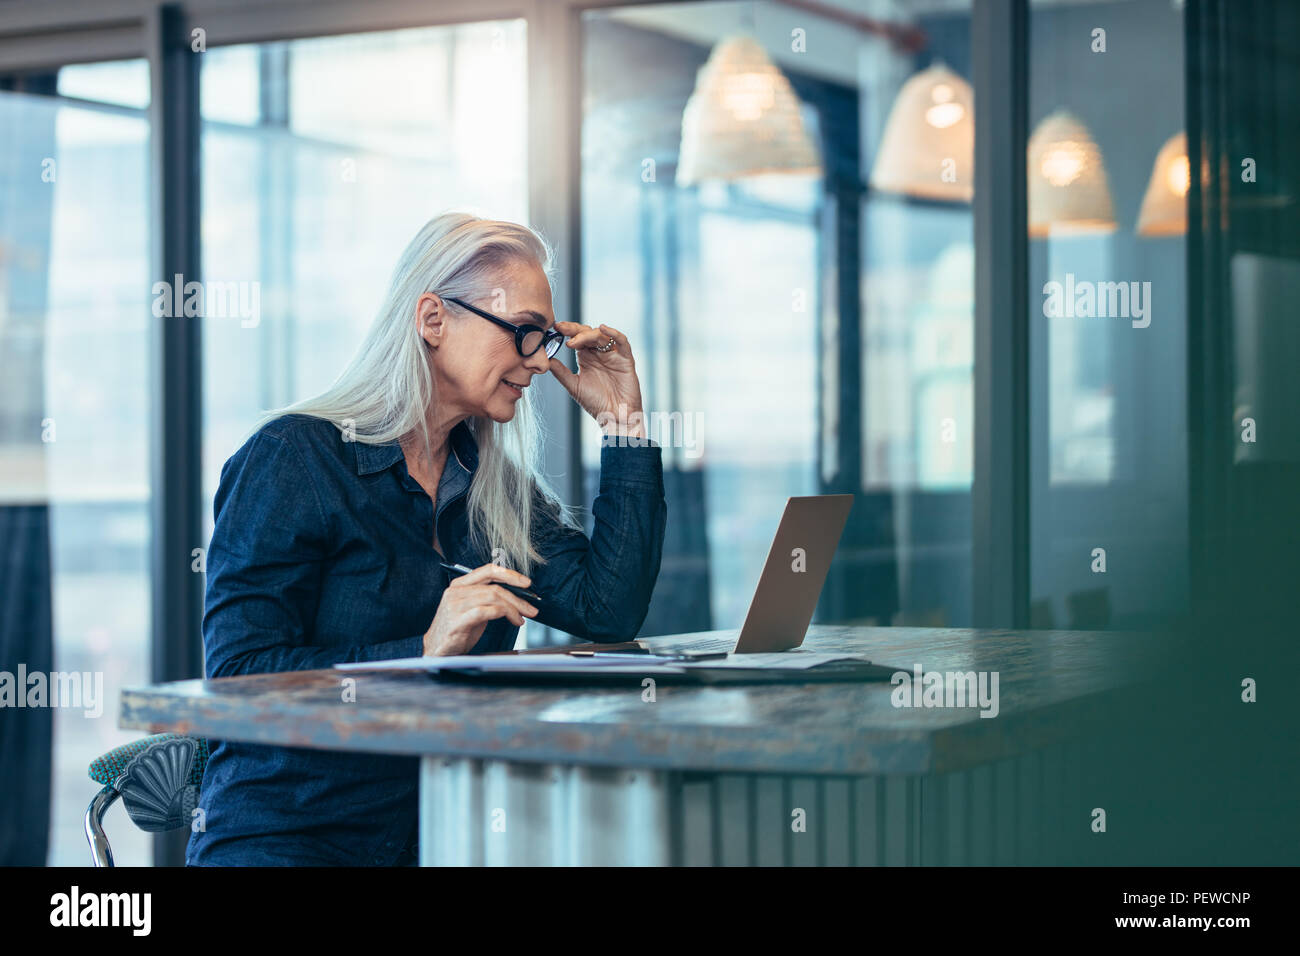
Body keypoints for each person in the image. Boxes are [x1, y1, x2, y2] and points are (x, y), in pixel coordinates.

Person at [187, 212, 666, 865]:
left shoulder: (493, 490)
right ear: (433, 319)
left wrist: (625, 425)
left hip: (444, 834)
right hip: (290, 839)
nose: (538, 362)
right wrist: (420, 652)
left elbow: (606, 610)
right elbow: (237, 681)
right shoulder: (295, 458)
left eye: (547, 340)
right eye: (525, 333)